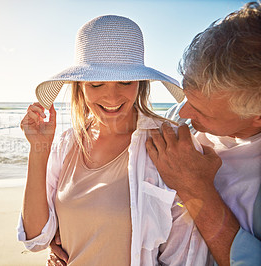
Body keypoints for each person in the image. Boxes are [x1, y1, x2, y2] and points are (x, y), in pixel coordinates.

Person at [17, 15, 212, 265]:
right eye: (97, 84)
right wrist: (38, 149)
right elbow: (35, 239)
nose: (112, 97)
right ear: (80, 87)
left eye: (125, 81)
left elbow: (187, 255)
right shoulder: (67, 144)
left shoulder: (169, 143)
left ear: (140, 84)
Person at [145, 2, 261, 265]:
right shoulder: (175, 118)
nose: (183, 112)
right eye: (186, 97)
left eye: (201, 111)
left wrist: (194, 188)